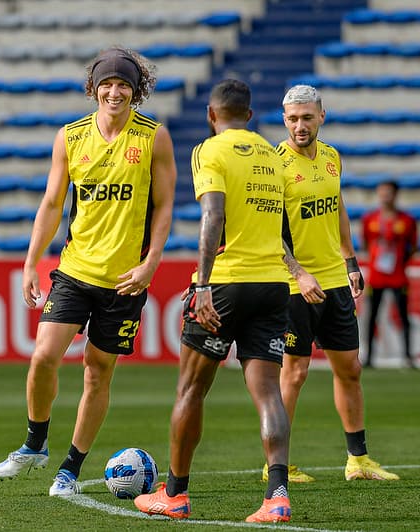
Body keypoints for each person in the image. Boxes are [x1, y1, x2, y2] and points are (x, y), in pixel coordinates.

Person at [0, 47, 176, 497]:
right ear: (94, 89)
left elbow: (166, 204)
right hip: (74, 270)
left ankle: (70, 470)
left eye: (124, 85)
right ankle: (35, 444)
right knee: (42, 357)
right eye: (107, 84)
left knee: (97, 373)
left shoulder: (154, 137)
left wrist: (151, 261)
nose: (115, 92)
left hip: (125, 279)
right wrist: (31, 262)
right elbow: (53, 203)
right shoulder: (70, 136)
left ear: (136, 92)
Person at [134, 79, 294, 523]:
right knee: (268, 394)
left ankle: (176, 494)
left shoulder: (210, 151)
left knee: (191, 389)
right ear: (250, 113)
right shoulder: (271, 154)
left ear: (211, 114)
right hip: (272, 284)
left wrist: (202, 285)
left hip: (224, 284)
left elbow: (214, 214)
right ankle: (276, 496)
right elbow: (280, 229)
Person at [266, 84, 399, 483]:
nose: (300, 125)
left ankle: (357, 460)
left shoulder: (331, 157)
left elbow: (337, 207)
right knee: (295, 373)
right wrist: (298, 273)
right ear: (284, 119)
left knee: (350, 369)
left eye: (307, 117)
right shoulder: (274, 166)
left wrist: (351, 260)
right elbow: (268, 230)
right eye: (292, 118)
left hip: (335, 279)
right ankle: (277, 465)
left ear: (322, 116)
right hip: (293, 285)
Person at [360, 180, 418, 368]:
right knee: (372, 317)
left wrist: (400, 260)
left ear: (395, 194)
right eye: (382, 192)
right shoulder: (370, 219)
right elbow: (366, 244)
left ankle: (408, 356)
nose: (385, 196)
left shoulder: (407, 220)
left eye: (388, 193)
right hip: (376, 276)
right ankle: (369, 357)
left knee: (403, 316)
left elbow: (413, 246)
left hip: (398, 275)